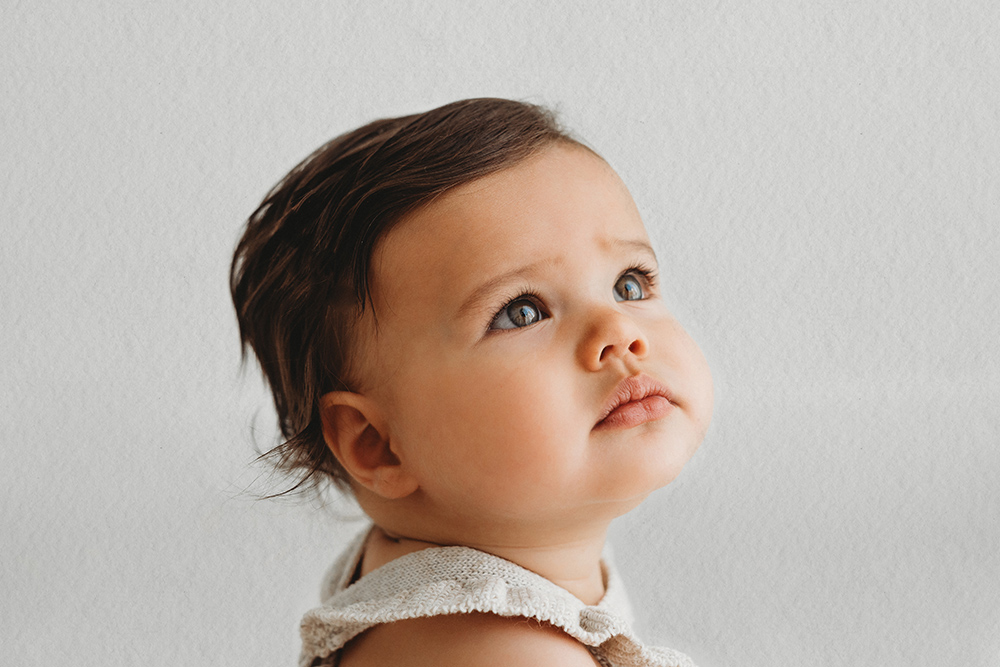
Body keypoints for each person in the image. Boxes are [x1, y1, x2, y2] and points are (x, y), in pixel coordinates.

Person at [231, 97, 714, 667]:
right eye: (522, 312)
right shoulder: (502, 652)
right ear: (377, 442)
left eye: (629, 284)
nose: (620, 331)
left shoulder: (441, 587)